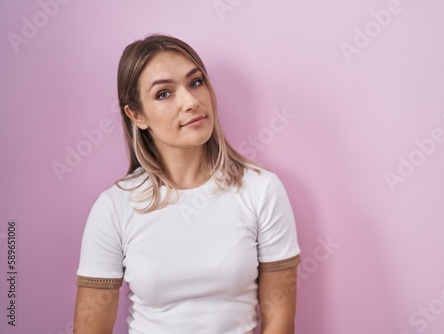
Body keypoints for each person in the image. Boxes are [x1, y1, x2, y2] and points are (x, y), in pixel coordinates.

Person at [73, 34, 301, 334]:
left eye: (195, 83)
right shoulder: (114, 207)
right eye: (164, 94)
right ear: (136, 115)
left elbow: (279, 323)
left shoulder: (261, 190)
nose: (191, 102)